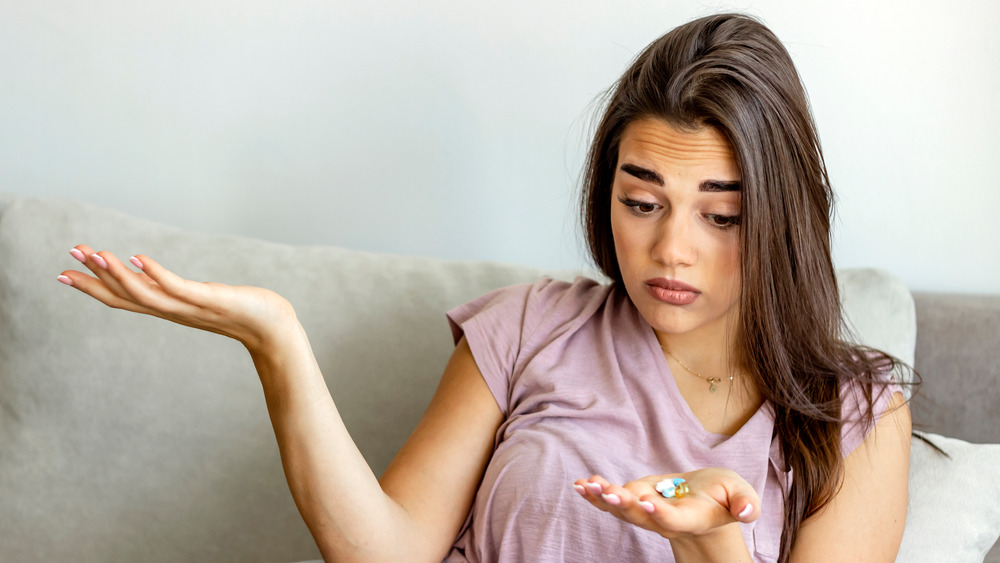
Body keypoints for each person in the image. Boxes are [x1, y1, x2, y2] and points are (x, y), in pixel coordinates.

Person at [56, 12, 910, 563]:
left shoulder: (859, 416)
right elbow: (381, 553)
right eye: (641, 201)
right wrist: (278, 343)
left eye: (720, 217)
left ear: (784, 214)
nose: (670, 248)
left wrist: (712, 541)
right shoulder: (530, 325)